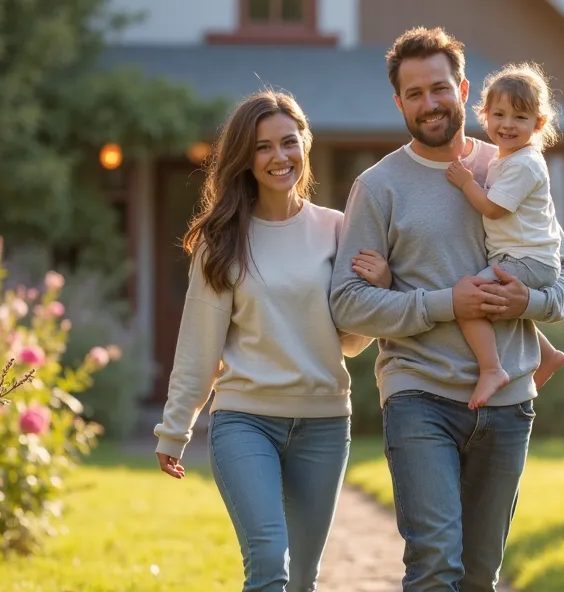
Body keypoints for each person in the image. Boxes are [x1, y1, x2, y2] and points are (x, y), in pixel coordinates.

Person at [330, 26, 564, 592]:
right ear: (399, 102)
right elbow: (348, 304)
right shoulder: (378, 187)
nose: (430, 103)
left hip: (508, 404)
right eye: (415, 93)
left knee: (478, 577)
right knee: (434, 568)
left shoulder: (512, 167)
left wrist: (532, 301)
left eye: (439, 88)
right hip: (418, 395)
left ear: (463, 88)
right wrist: (445, 304)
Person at [153, 90, 376, 592]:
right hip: (245, 421)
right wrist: (175, 427)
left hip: (324, 422)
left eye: (288, 143)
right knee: (270, 558)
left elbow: (350, 339)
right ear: (244, 159)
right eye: (262, 148)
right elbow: (199, 344)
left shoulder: (337, 229)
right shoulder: (222, 240)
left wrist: (376, 288)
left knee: (301, 579)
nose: (279, 157)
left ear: (306, 144)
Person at [355, 62, 564, 409]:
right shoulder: (504, 160)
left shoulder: (520, 164)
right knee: (486, 297)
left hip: (524, 260)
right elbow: (349, 305)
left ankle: (492, 369)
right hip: (416, 385)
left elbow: (495, 210)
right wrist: (390, 282)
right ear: (484, 114)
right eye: (499, 115)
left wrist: (467, 182)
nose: (508, 125)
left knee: (469, 301)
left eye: (520, 118)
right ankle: (548, 355)